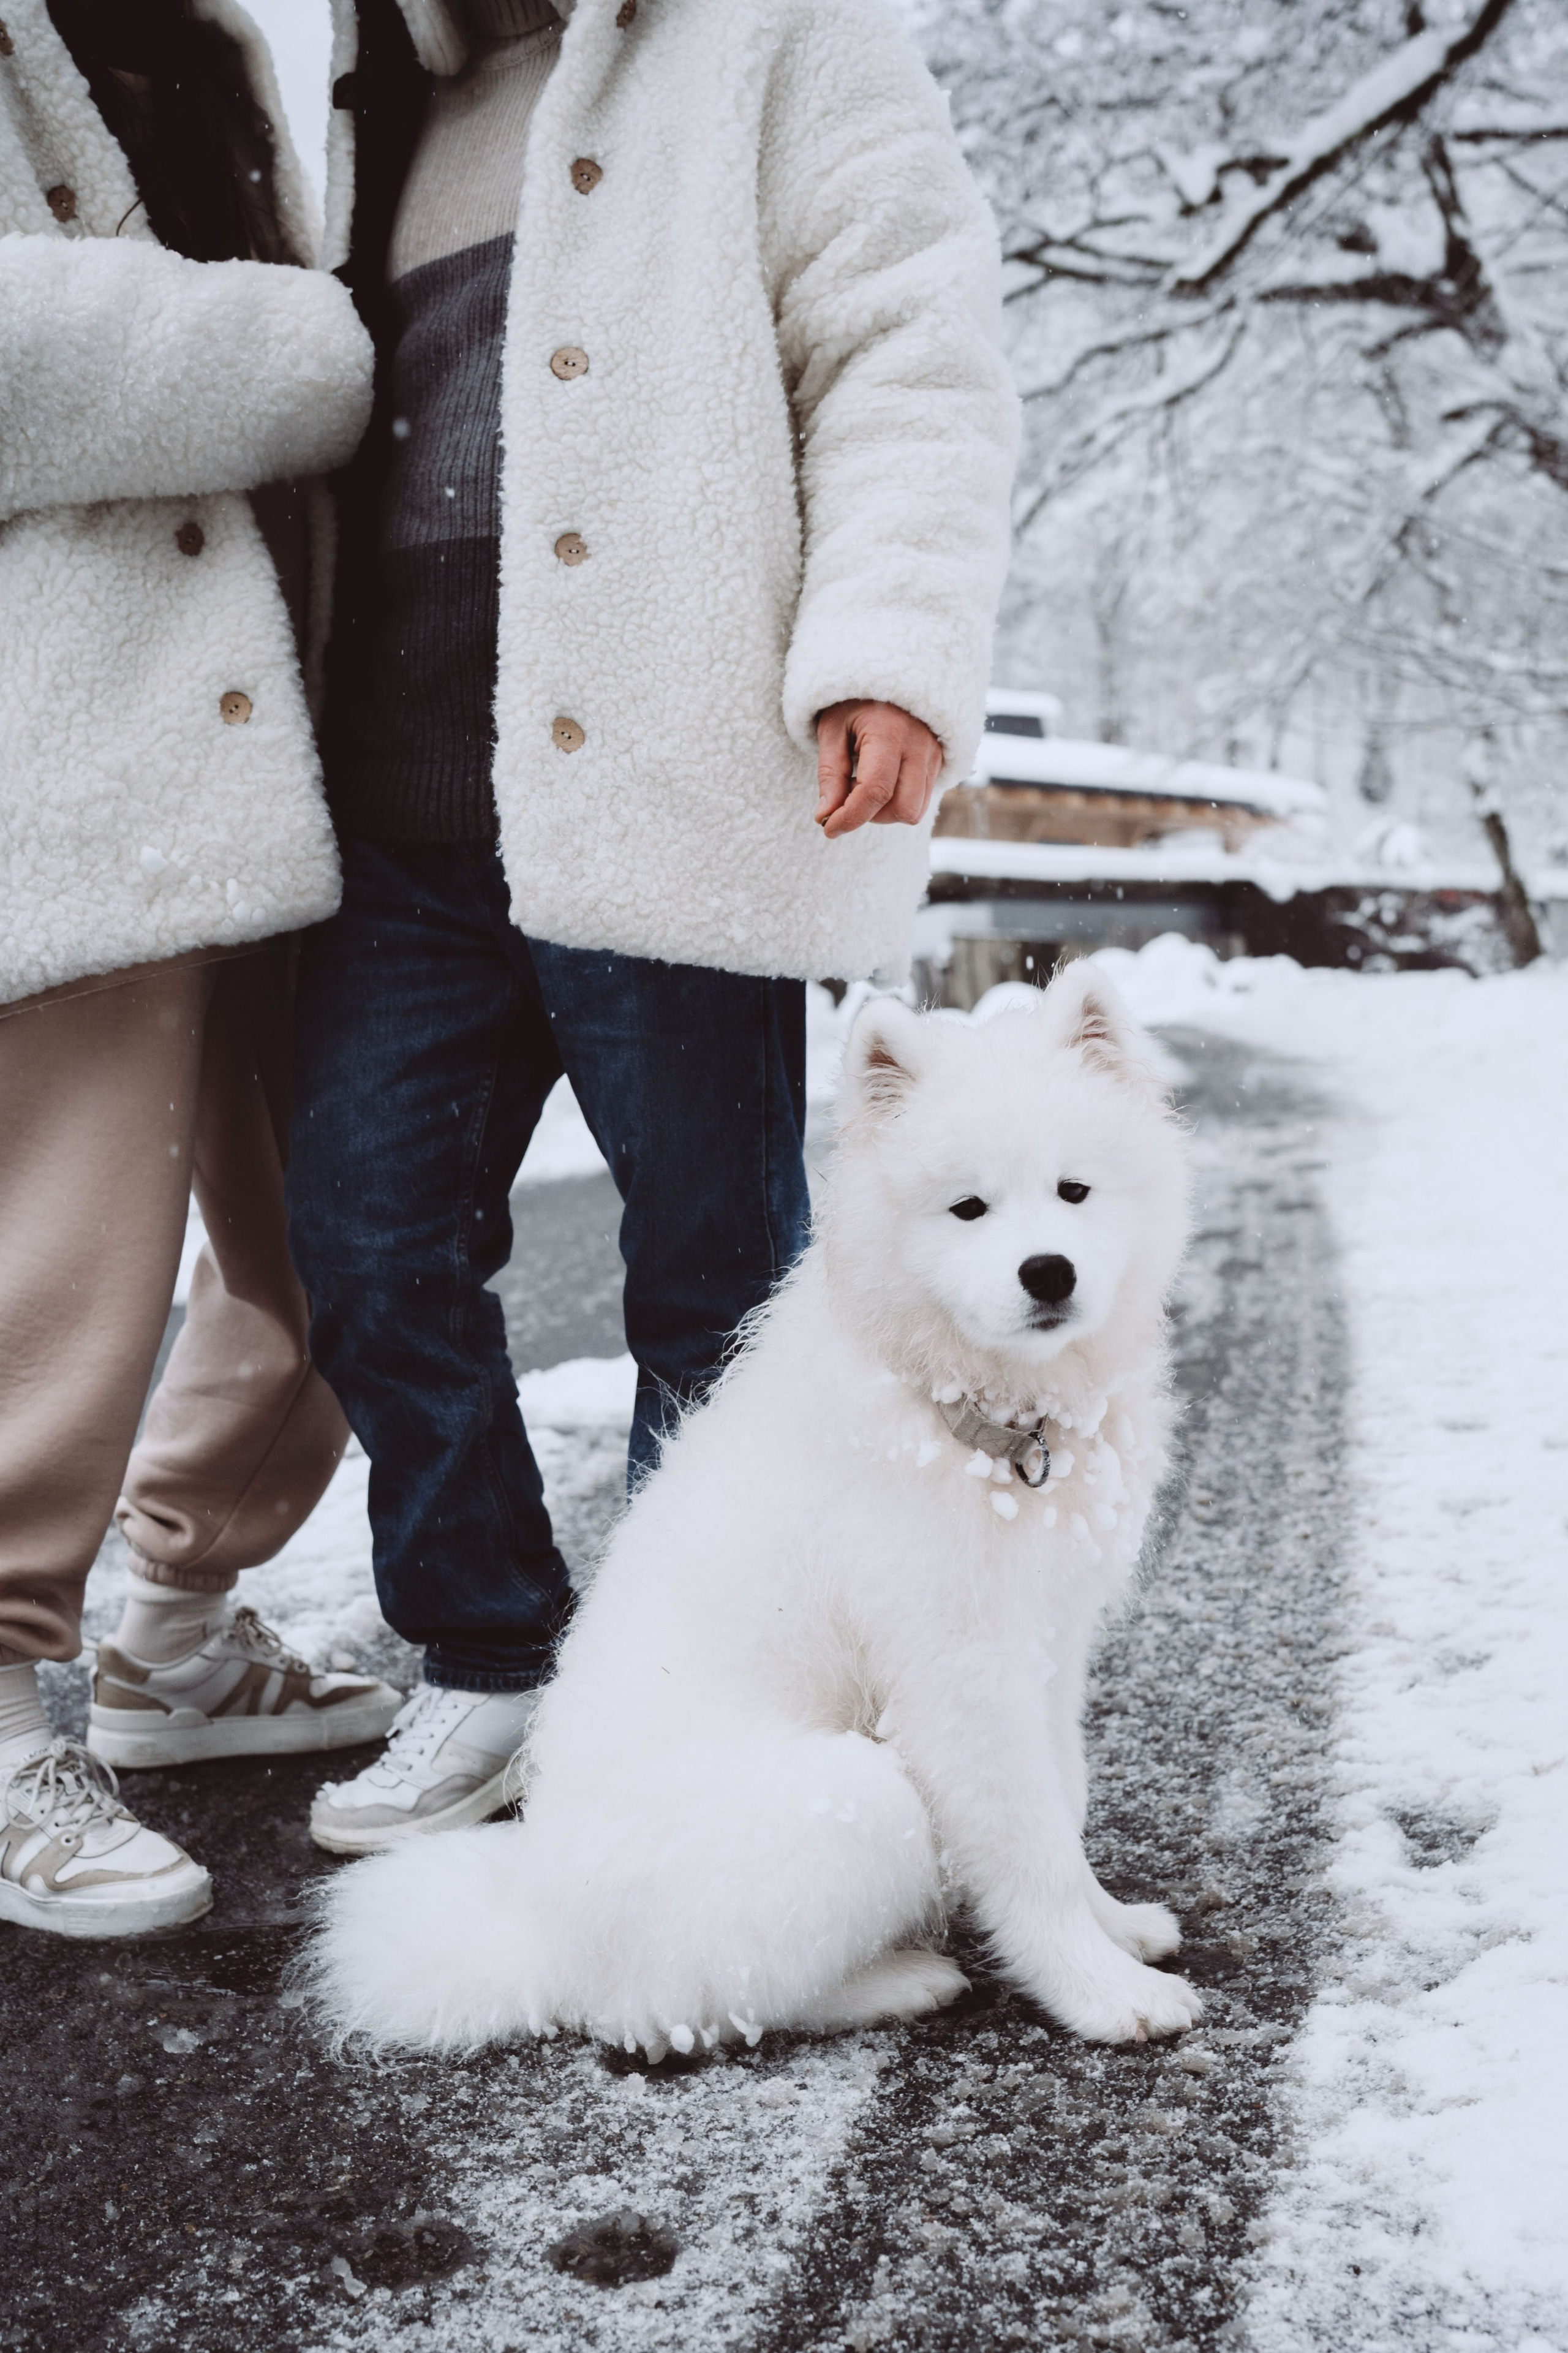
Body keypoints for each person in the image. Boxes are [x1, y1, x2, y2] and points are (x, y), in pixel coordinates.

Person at [286, 0, 1020, 1853]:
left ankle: (709, 1692)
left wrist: (891, 648)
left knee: (719, 1275)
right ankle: (492, 1654)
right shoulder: (371, 94)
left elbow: (905, 345)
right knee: (365, 1238)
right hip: (392, 817)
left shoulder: (781, 39)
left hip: (672, 779)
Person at [0, 0, 402, 1938]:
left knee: (356, 1223)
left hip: (282, 727)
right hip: (63, 735)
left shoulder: (214, 41)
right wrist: (309, 356)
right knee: (66, 1259)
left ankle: (171, 1628)